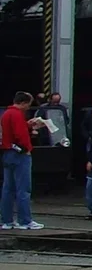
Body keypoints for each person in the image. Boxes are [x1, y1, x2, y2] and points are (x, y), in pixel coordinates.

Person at [1, 91, 49, 230]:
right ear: (23, 103)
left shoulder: (6, 114)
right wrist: (27, 148)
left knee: (8, 189)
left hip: (7, 153)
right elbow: (19, 135)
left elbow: (10, 132)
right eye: (28, 104)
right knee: (24, 189)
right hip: (20, 155)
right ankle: (25, 221)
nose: (29, 107)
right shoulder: (17, 114)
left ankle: (6, 221)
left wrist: (27, 125)